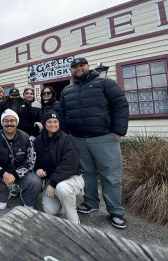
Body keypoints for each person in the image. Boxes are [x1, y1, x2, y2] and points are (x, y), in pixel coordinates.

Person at [59, 57, 129, 229]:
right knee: (86, 174)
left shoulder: (105, 83)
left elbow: (121, 105)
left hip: (104, 138)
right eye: (74, 67)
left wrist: (118, 133)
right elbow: (63, 114)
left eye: (81, 65)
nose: (78, 69)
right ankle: (91, 202)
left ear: (88, 67)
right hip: (78, 140)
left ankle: (115, 211)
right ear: (71, 70)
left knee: (110, 175)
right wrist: (66, 136)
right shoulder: (67, 91)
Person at [0, 109, 42, 210]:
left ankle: (28, 200)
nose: (9, 123)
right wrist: (4, 174)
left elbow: (30, 163)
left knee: (35, 181)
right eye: (6, 121)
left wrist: (14, 175)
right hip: (3, 172)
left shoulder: (26, 138)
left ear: (17, 122)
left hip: (21, 173)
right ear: (2, 123)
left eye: (12, 120)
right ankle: (3, 197)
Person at [34, 110, 84, 225]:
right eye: (49, 122)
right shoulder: (38, 141)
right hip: (52, 180)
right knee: (50, 210)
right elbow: (33, 159)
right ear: (44, 124)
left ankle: (74, 224)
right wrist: (37, 169)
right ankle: (65, 201)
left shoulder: (66, 139)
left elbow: (69, 164)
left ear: (59, 123)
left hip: (71, 179)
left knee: (62, 188)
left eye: (55, 121)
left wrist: (53, 184)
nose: (53, 124)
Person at [0, 88, 37, 196]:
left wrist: (33, 132)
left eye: (17, 95)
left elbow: (33, 118)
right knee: (8, 158)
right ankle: (11, 185)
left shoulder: (25, 103)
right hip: (7, 135)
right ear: (10, 95)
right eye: (13, 95)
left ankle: (23, 184)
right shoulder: (4, 104)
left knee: (23, 159)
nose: (15, 97)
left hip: (24, 137)